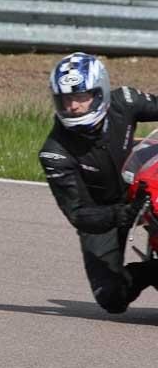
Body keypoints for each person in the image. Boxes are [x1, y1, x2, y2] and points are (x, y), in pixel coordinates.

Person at [39, 51, 158, 314]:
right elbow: (78, 214)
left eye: (80, 96)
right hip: (103, 211)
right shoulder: (55, 152)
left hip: (143, 184)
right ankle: (152, 271)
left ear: (100, 92)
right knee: (112, 299)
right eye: (66, 99)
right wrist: (121, 214)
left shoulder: (125, 100)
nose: (73, 106)